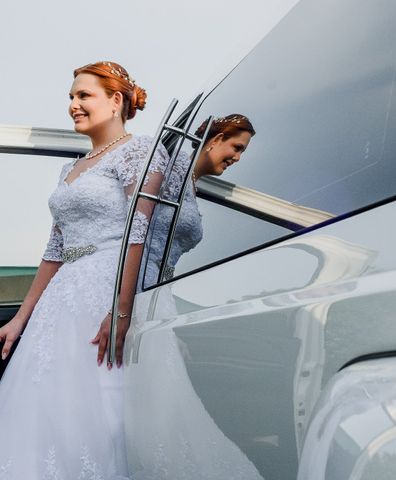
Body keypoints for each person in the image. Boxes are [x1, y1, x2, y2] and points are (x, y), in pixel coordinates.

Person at [0, 61, 167, 479]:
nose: (73, 105)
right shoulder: (70, 168)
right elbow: (55, 248)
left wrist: (121, 309)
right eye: (71, 98)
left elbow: (138, 233)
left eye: (83, 95)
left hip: (107, 287)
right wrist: (21, 316)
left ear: (116, 101)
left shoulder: (140, 151)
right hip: (62, 298)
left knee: (103, 405)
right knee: (51, 406)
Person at [141, 114, 255, 287]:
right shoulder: (173, 167)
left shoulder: (191, 186)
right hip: (138, 276)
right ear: (217, 139)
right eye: (237, 148)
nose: (237, 158)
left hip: (158, 285)